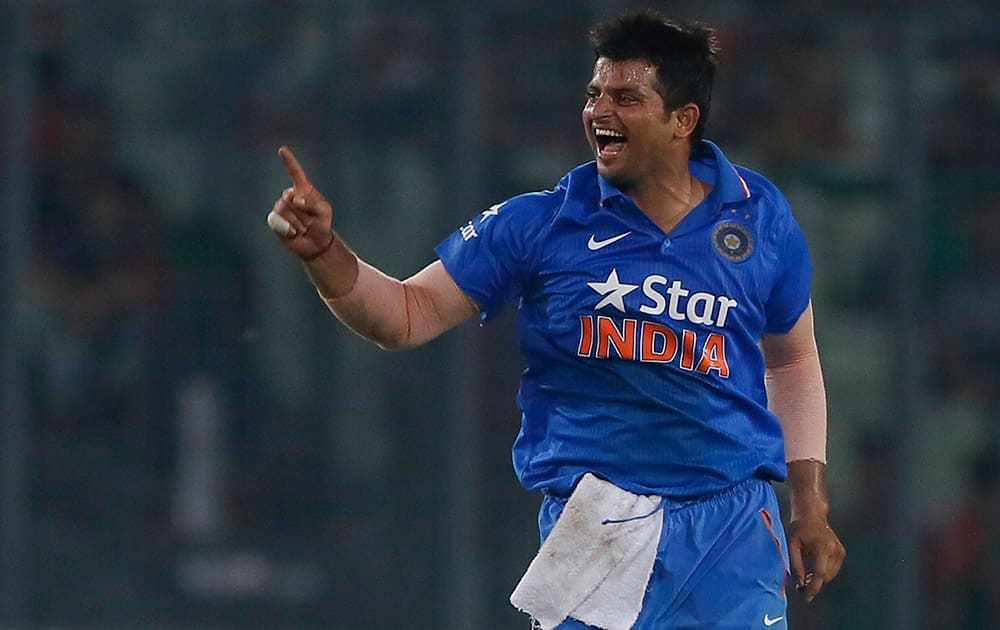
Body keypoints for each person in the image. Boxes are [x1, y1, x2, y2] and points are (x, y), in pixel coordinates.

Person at [266, 10, 844, 629]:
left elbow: (793, 358)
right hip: (598, 530)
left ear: (683, 121)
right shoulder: (540, 224)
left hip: (732, 527)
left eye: (626, 97)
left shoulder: (761, 217)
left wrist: (808, 503)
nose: (600, 112)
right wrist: (325, 254)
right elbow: (404, 316)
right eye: (595, 94)